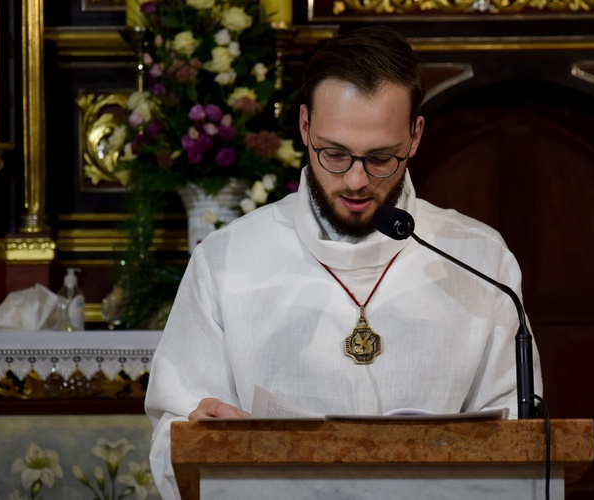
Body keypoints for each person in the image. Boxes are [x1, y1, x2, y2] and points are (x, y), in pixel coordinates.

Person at [145, 25, 543, 499]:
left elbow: (518, 444)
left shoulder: (479, 259)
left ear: (414, 137)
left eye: (381, 158)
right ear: (305, 127)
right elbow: (173, 431)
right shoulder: (227, 261)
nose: (356, 181)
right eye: (334, 154)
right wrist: (196, 434)